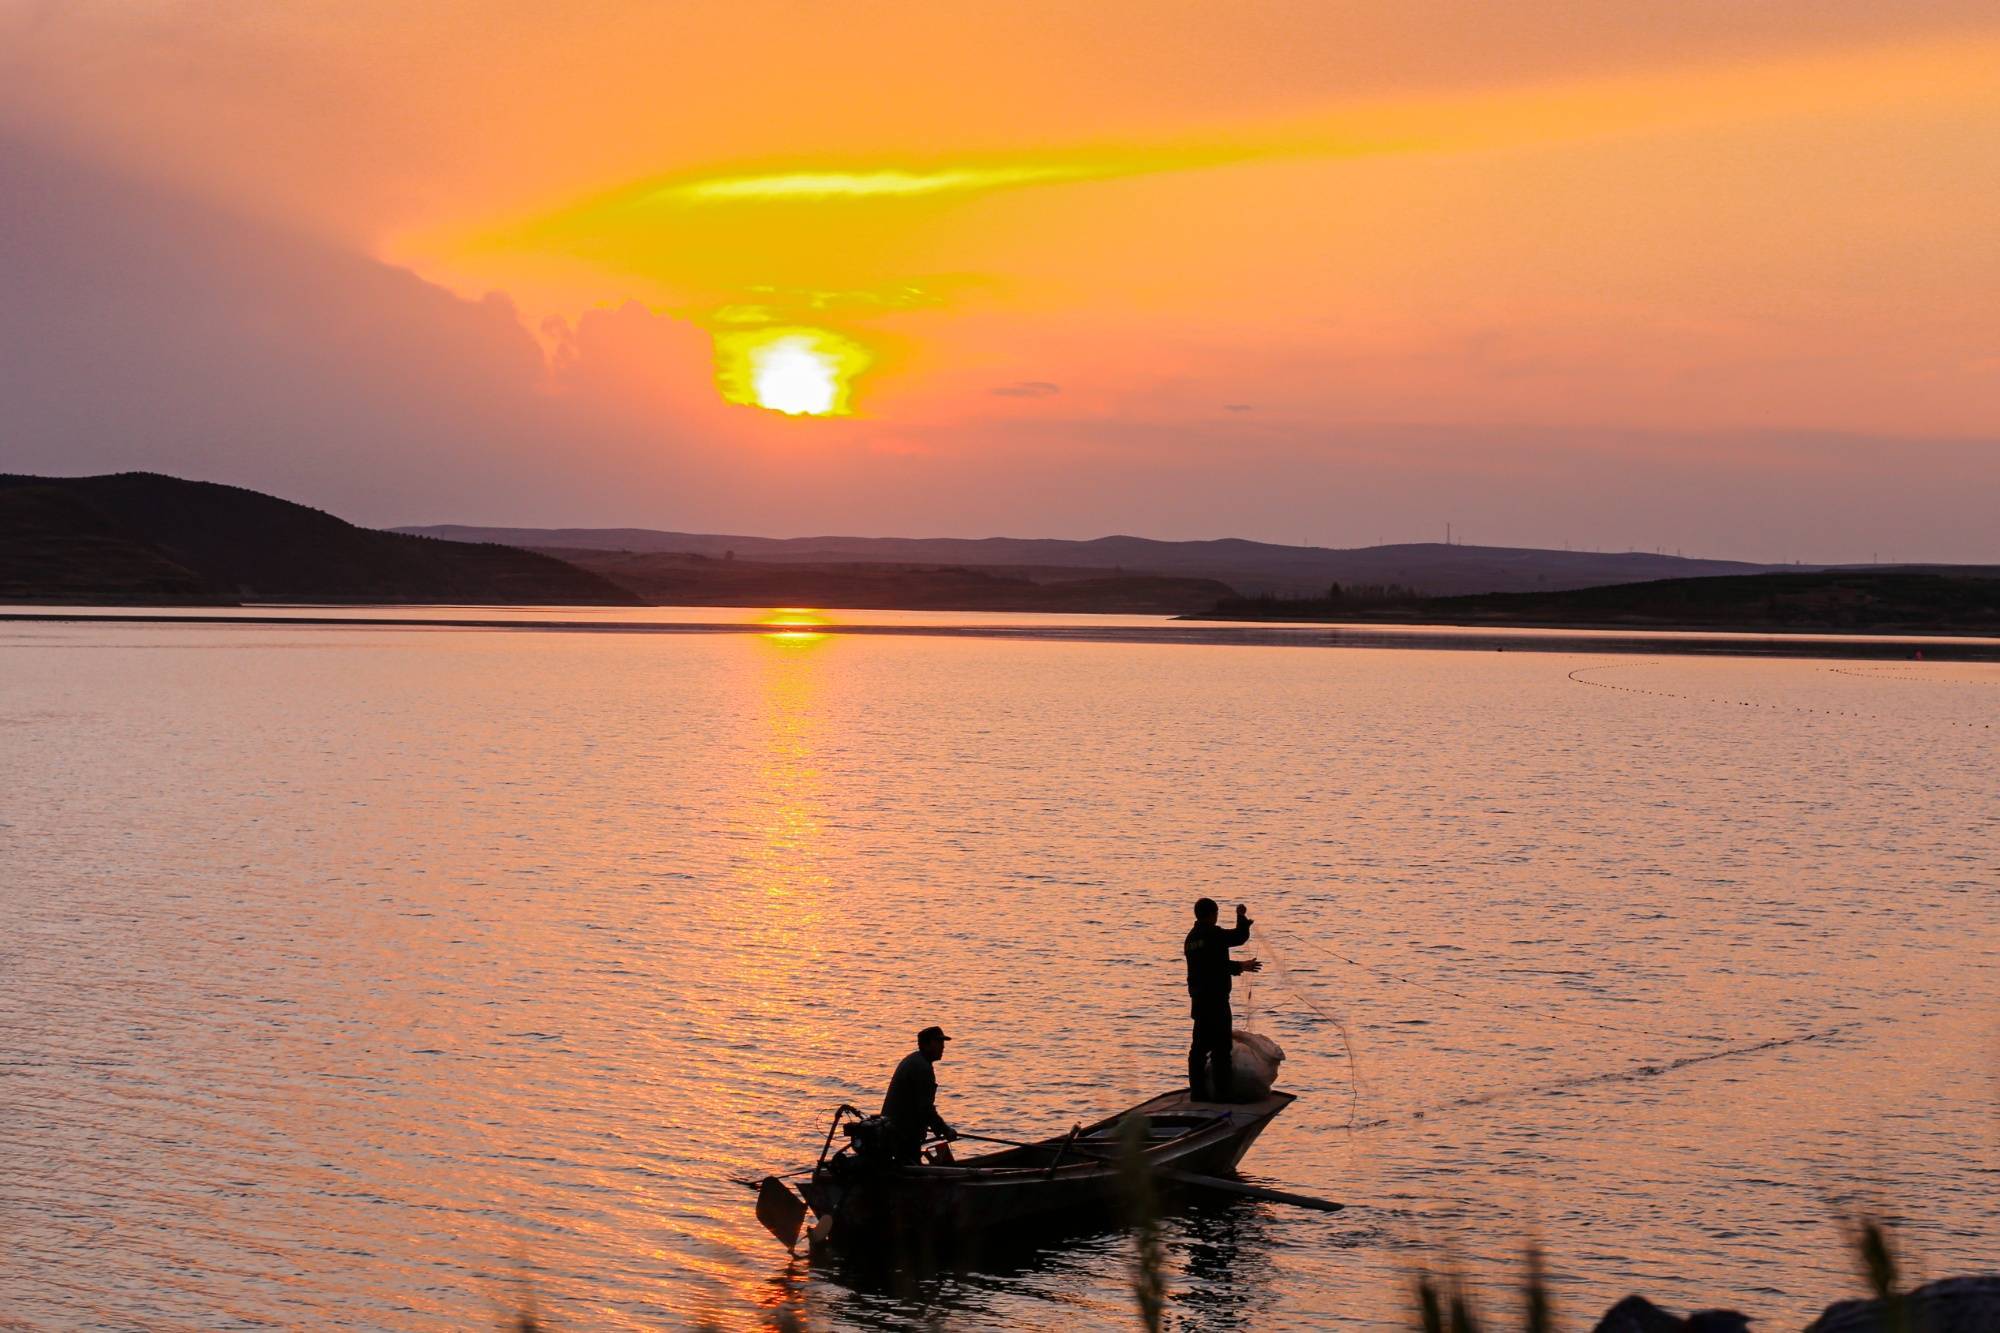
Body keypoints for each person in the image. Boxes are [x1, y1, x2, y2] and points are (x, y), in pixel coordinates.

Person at [1184, 898, 1261, 1101]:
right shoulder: (1213, 934)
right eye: (1216, 913)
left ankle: (1198, 1094)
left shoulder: (1191, 939)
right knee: (1221, 1049)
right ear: (1211, 914)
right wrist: (1241, 918)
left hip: (1199, 1002)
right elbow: (1238, 937)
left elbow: (1211, 964)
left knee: (1199, 1049)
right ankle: (1222, 1094)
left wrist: (1238, 966)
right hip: (1216, 1002)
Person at [881, 1025, 958, 1163]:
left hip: (895, 1128)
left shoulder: (916, 1060)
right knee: (910, 1166)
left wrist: (937, 1128)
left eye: (943, 1043)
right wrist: (945, 1130)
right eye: (939, 1042)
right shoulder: (922, 1068)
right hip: (902, 1132)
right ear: (927, 1044)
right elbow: (925, 1109)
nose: (943, 1047)